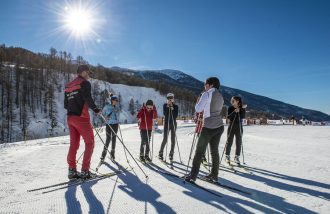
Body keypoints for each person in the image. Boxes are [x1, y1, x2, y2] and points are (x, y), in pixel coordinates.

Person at [64, 64, 101, 180]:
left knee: (74, 144)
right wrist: (95, 109)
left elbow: (66, 104)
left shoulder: (68, 85)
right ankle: (85, 171)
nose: (89, 76)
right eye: (89, 73)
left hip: (70, 118)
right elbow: (87, 97)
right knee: (90, 143)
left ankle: (72, 170)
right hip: (82, 118)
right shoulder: (84, 83)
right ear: (84, 72)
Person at [185, 77, 224, 183]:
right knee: (214, 152)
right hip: (219, 126)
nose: (204, 86)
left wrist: (200, 100)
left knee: (199, 151)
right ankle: (214, 175)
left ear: (211, 85)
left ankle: (193, 175)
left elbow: (198, 109)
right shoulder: (220, 95)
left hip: (208, 127)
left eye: (205, 84)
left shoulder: (206, 94)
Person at [225, 96, 246, 166]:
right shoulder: (230, 108)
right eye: (231, 100)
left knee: (238, 142)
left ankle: (237, 157)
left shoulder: (242, 108)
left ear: (237, 101)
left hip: (239, 126)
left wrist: (241, 110)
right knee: (229, 141)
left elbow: (243, 116)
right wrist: (234, 111)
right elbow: (228, 117)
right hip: (231, 126)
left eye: (233, 100)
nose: (232, 101)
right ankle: (227, 156)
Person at [100, 94, 120, 162]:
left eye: (117, 101)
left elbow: (118, 115)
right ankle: (103, 155)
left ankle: (112, 154)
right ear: (112, 101)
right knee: (108, 139)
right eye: (115, 100)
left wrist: (117, 117)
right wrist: (105, 117)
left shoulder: (117, 107)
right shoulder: (107, 107)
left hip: (115, 125)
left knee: (114, 139)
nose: (116, 102)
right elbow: (102, 114)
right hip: (108, 124)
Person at [158, 93, 179, 161]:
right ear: (167, 99)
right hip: (167, 123)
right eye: (168, 98)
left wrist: (172, 107)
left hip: (173, 124)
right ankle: (160, 153)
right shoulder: (165, 105)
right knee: (165, 139)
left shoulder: (176, 106)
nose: (170, 99)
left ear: (173, 99)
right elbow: (165, 113)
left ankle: (171, 154)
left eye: (171, 98)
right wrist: (168, 106)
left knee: (173, 139)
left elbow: (175, 115)